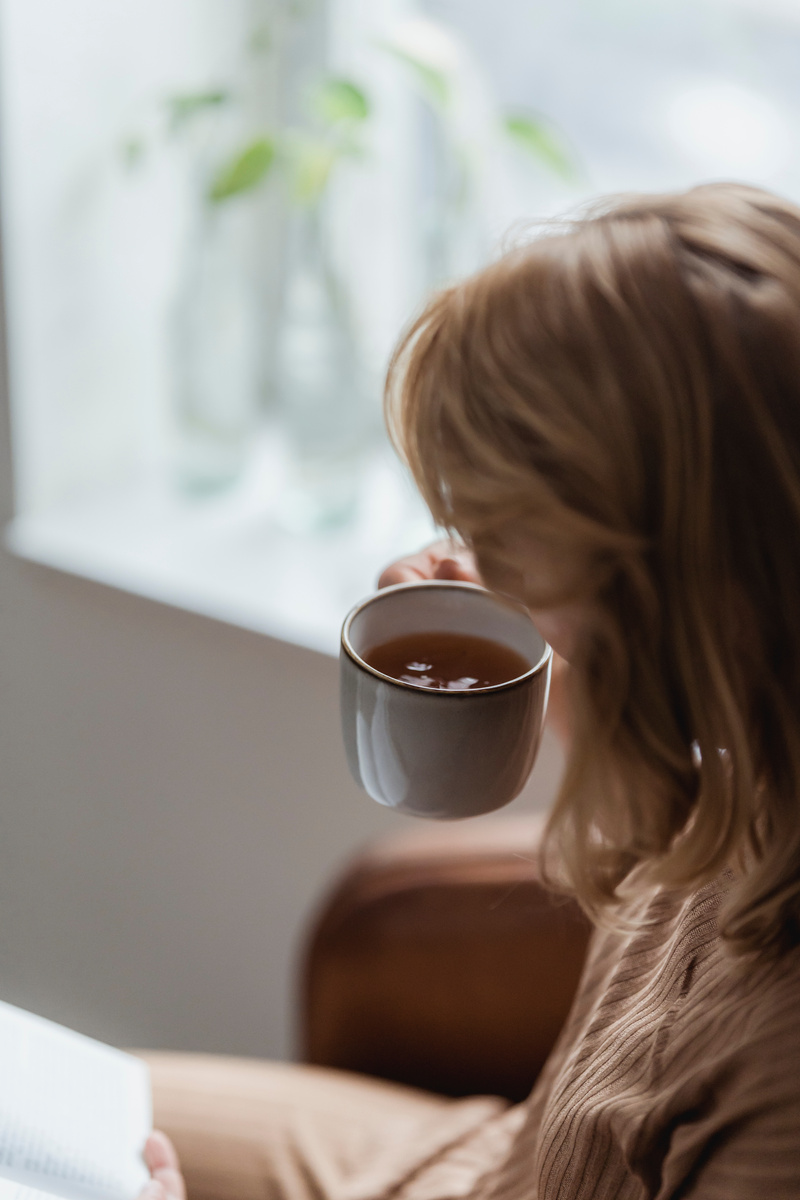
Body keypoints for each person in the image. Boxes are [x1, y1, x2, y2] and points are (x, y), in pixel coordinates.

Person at [145, 182, 800, 1198]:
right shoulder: (749, 745)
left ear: (669, 606)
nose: (477, 572)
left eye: (512, 548)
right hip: (481, 1168)